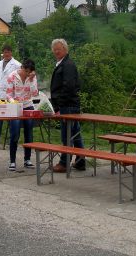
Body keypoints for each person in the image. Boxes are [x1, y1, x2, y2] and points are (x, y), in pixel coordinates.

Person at [50, 38, 85, 172]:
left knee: (66, 135)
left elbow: (69, 86)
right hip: (70, 104)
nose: (56, 51)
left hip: (68, 105)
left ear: (65, 49)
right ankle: (81, 161)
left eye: (59, 49)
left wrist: (59, 105)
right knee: (75, 134)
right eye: (55, 49)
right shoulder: (62, 63)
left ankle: (64, 163)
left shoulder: (68, 64)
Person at [5, 59, 38, 171]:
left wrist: (32, 80)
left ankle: (27, 159)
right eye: (26, 71)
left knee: (29, 133)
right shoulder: (12, 76)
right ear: (22, 68)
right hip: (15, 106)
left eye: (30, 72)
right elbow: (8, 94)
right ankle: (12, 161)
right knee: (15, 134)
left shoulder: (32, 77)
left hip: (28, 105)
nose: (28, 74)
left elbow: (34, 93)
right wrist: (13, 102)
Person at [0, 44, 21, 143]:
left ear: (11, 52)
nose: (6, 54)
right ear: (3, 53)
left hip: (11, 95)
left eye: (8, 52)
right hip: (0, 94)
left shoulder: (17, 64)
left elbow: (20, 78)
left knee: (11, 117)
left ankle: (12, 139)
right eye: (5, 52)